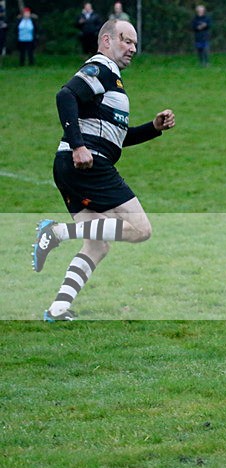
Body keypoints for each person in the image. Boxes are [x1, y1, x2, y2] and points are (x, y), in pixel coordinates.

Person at [31, 19, 175, 322]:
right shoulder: (100, 67)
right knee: (140, 229)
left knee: (97, 244)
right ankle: (55, 232)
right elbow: (65, 95)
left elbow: (117, 139)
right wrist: (78, 145)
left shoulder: (114, 80)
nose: (133, 48)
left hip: (75, 165)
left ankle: (57, 310)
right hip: (87, 163)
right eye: (126, 40)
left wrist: (153, 128)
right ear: (106, 41)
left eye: (135, 43)